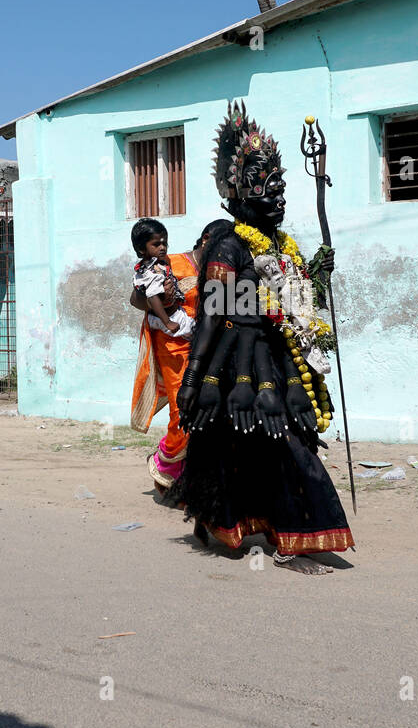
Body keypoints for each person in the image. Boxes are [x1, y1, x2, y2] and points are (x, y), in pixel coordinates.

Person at [171, 101, 354, 575]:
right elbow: (215, 313)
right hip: (241, 361)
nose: (278, 196)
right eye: (265, 186)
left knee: (267, 446)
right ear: (237, 192)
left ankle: (239, 522)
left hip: (282, 357)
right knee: (275, 446)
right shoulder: (230, 243)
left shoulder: (280, 243)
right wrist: (193, 376)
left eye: (281, 186)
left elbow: (293, 301)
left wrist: (316, 272)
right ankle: (291, 540)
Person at [130, 219, 230, 494]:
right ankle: (166, 464)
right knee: (182, 411)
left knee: (209, 412)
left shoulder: (222, 272)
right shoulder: (169, 262)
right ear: (206, 239)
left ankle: (197, 481)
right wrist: (163, 300)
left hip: (208, 348)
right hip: (173, 348)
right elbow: (136, 300)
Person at [131, 218, 193, 338]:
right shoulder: (151, 272)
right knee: (201, 335)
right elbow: (153, 296)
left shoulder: (157, 264)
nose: (162, 248)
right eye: (156, 244)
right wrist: (168, 323)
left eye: (165, 244)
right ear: (141, 249)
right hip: (169, 318)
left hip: (170, 315)